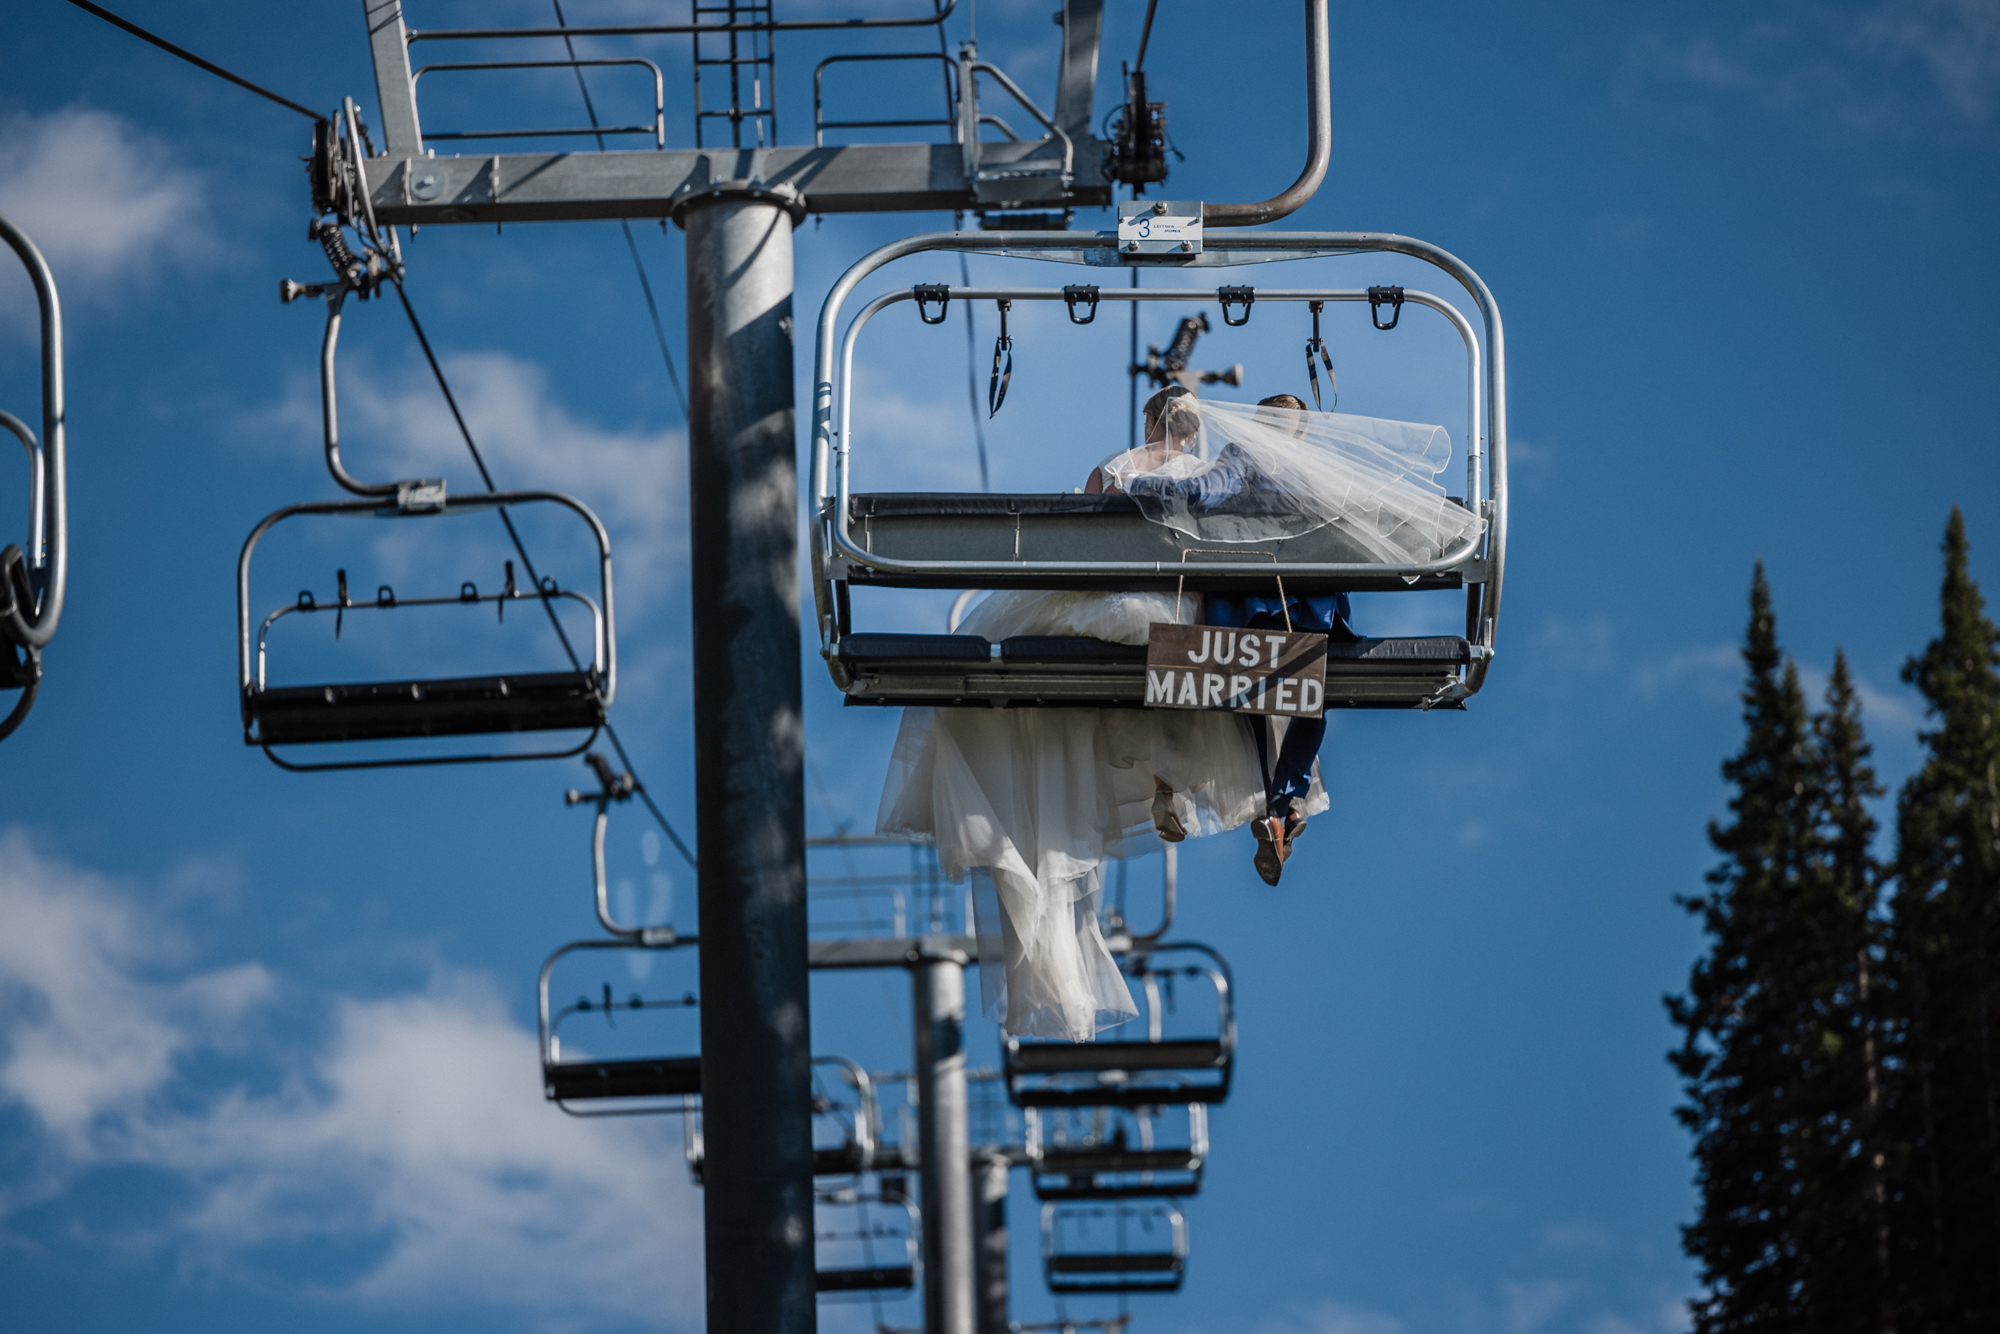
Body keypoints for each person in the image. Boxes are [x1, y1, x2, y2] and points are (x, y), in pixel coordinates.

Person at [878, 388, 1310, 1042]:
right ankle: (1202, 788)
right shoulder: (1209, 472)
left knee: (1119, 680)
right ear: (1195, 430)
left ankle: (1174, 785)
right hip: (1187, 614)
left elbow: (1083, 531)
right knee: (1198, 674)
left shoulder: (1119, 463)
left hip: (1124, 603)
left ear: (1151, 422)